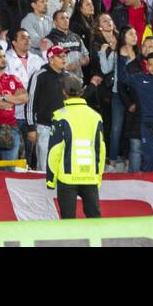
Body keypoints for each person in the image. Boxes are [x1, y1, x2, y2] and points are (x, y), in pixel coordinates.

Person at [45, 74, 106, 218]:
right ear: (82, 91)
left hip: (67, 177)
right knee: (95, 220)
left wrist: (50, 179)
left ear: (63, 92)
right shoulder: (95, 116)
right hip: (90, 176)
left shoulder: (60, 116)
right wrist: (98, 176)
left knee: (68, 222)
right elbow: (101, 149)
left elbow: (55, 150)